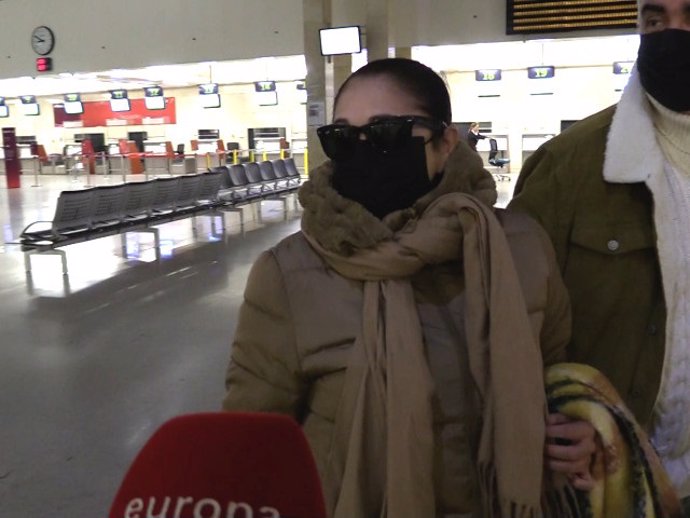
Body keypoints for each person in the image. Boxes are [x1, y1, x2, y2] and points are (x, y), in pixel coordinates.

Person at [222, 58, 595, 517]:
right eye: (342, 137)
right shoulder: (288, 274)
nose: (361, 150)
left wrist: (580, 429)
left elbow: (559, 378)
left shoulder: (519, 248)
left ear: (445, 142)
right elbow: (254, 443)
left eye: (386, 133)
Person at [508, 0, 690, 513]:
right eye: (656, 20)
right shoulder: (568, 167)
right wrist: (559, 416)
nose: (671, 36)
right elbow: (513, 324)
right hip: (612, 480)